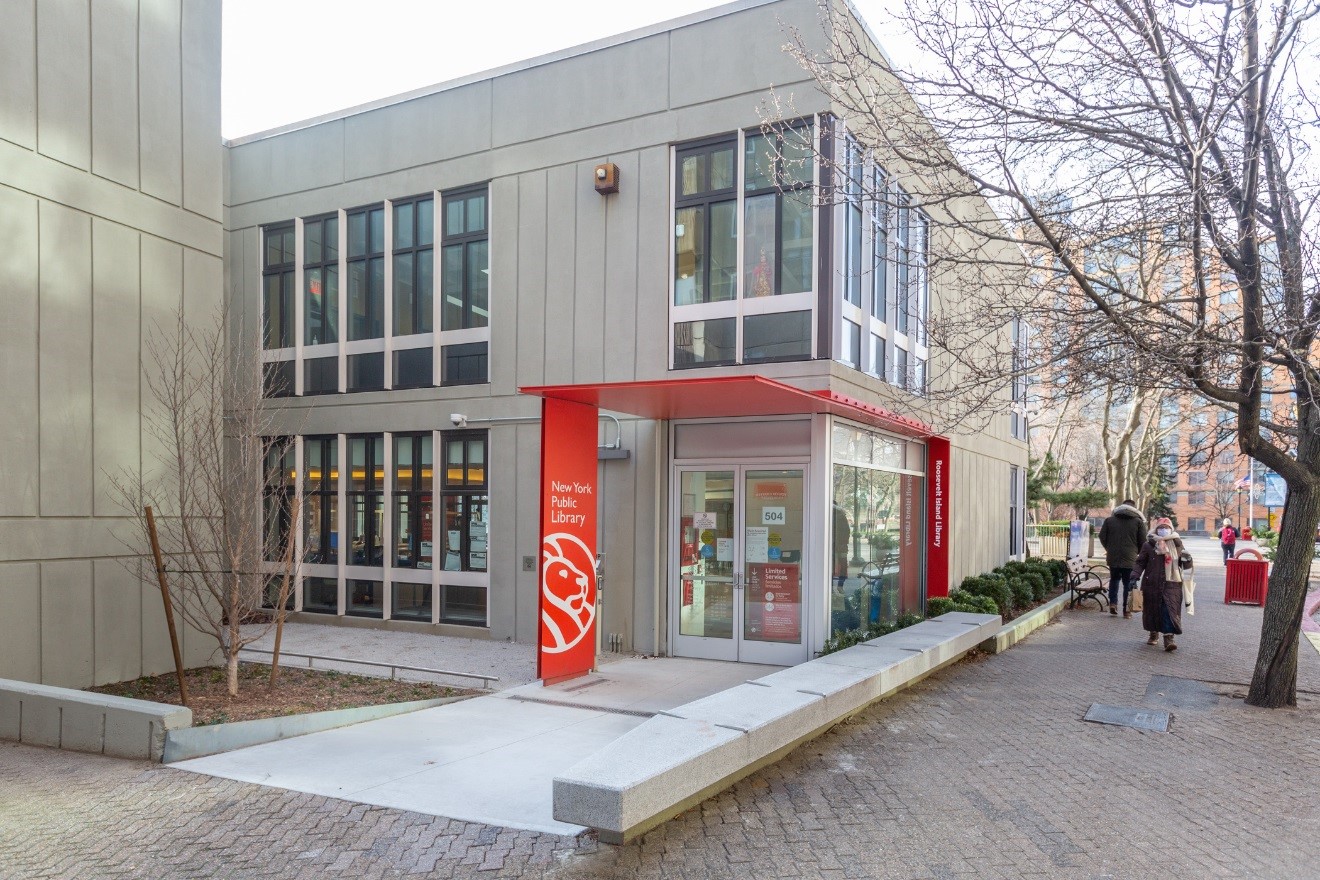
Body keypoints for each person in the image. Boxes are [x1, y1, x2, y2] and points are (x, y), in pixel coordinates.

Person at [1134, 516, 1185, 651]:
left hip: (1172, 583)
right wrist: (1134, 576)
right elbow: (1140, 563)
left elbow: (1184, 563)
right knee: (1152, 609)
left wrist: (1188, 560)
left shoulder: (1177, 544)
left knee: (1169, 610)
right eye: (1161, 528)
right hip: (1152, 583)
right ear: (1156, 530)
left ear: (1171, 529)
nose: (1163, 530)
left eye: (1166, 528)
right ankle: (1153, 633)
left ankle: (1169, 639)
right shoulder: (1148, 545)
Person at [1098, 499, 1145, 619]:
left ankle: (1113, 603)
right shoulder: (1138, 522)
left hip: (1113, 557)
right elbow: (1143, 541)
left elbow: (1102, 536)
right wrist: (1137, 553)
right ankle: (1126, 610)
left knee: (1114, 580)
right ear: (1134, 508)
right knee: (1128, 584)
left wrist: (1109, 548)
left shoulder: (1109, 520)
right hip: (1130, 558)